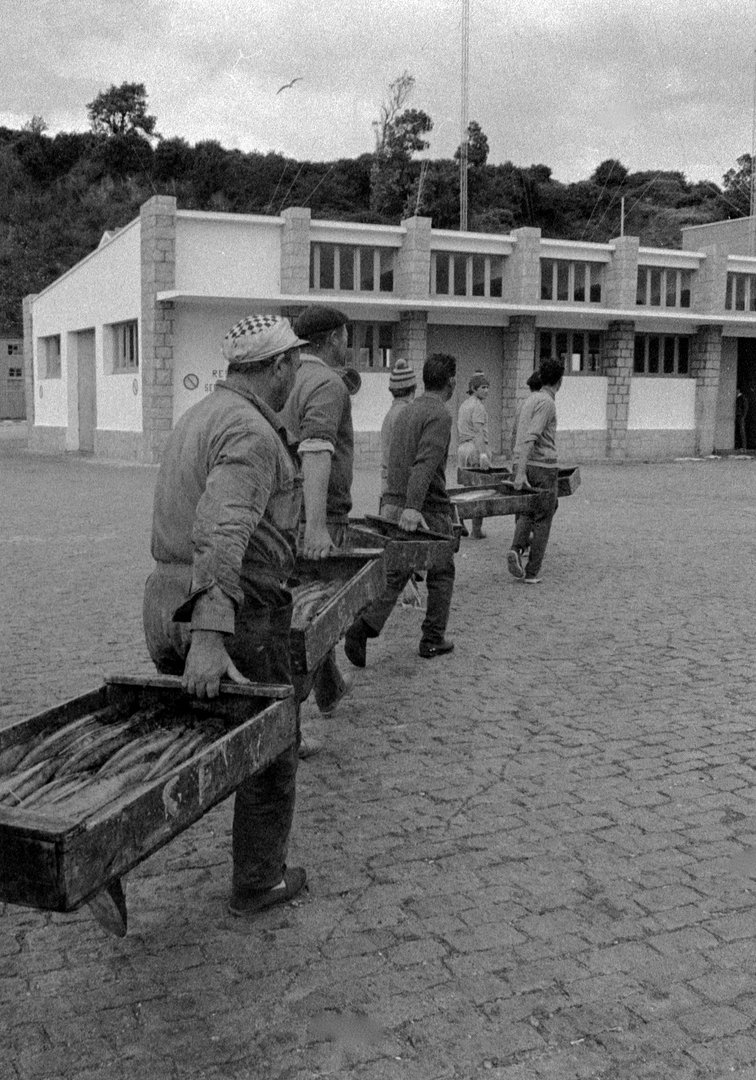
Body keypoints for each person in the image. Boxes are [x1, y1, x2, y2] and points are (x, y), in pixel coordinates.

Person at [143, 313, 308, 917]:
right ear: (274, 368)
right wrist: (212, 635)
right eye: (293, 362)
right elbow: (221, 531)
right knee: (271, 750)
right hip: (232, 616)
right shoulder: (250, 431)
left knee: (190, 737)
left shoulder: (198, 416)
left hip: (164, 602)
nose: (296, 372)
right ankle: (260, 881)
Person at [344, 353, 461, 663]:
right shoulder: (440, 415)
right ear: (451, 383)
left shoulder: (407, 412)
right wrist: (413, 507)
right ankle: (432, 639)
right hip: (426, 508)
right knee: (442, 571)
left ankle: (363, 627)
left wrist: (397, 505)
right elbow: (425, 464)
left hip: (395, 502)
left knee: (396, 573)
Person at [279, 305, 355, 757]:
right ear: (332, 338)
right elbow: (317, 449)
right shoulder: (326, 382)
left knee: (304, 612)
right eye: (346, 336)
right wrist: (319, 526)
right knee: (315, 618)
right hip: (317, 516)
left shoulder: (286, 381)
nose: (348, 343)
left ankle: (329, 688)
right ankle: (289, 726)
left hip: (288, 515)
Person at [508, 358, 563, 585]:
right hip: (542, 467)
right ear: (559, 382)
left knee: (528, 512)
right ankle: (532, 572)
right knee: (543, 518)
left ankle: (516, 549)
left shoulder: (528, 400)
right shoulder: (547, 403)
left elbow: (516, 435)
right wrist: (520, 472)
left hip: (525, 463)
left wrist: (518, 466)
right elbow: (532, 436)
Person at [456, 372, 493, 539]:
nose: (486, 391)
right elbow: (478, 432)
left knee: (467, 488)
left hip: (462, 448)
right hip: (474, 448)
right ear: (473, 389)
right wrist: (483, 454)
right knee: (480, 489)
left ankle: (460, 521)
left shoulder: (464, 405)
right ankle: (476, 530)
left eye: (487, 387)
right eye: (482, 388)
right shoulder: (478, 406)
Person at [377, 358, 416, 484]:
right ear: (413, 389)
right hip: (399, 483)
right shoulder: (406, 414)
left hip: (387, 480)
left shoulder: (391, 414)